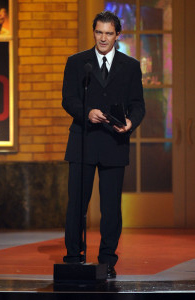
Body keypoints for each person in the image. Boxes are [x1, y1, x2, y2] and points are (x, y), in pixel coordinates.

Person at [62, 11, 145, 279]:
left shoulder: (130, 66)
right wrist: (86, 112)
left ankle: (107, 260)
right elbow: (68, 99)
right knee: (77, 204)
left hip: (114, 141)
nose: (103, 38)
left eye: (109, 33)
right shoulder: (77, 63)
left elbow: (138, 105)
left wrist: (131, 122)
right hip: (83, 141)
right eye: (99, 32)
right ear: (94, 32)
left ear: (117, 35)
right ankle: (74, 257)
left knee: (110, 207)